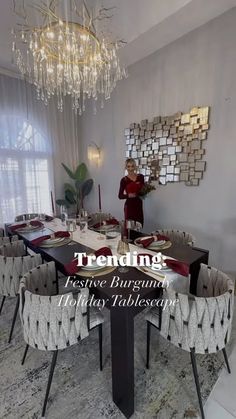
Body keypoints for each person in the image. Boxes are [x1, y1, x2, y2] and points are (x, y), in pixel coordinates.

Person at [118, 158, 145, 226]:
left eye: (132, 166)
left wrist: (143, 192)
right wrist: (128, 195)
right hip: (129, 206)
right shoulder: (124, 180)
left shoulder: (140, 177)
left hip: (138, 205)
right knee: (130, 227)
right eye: (128, 166)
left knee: (139, 225)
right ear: (126, 167)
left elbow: (143, 192)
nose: (130, 168)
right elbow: (120, 196)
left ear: (135, 166)